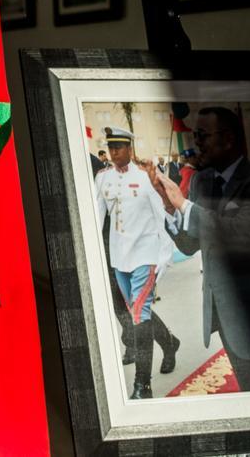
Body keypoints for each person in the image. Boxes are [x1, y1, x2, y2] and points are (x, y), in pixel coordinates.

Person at [157, 107, 250, 391]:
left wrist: (184, 205)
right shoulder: (202, 181)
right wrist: (169, 208)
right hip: (227, 320)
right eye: (195, 135)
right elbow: (190, 245)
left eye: (202, 135)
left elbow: (242, 234)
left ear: (228, 139)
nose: (196, 142)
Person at [93, 128, 180, 399]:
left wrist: (164, 256)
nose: (115, 151)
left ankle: (142, 385)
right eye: (111, 147)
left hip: (145, 254)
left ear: (129, 148)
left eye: (119, 146)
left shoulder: (144, 178)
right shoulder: (103, 179)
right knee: (135, 312)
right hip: (119, 257)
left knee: (139, 315)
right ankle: (170, 343)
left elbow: (162, 217)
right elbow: (97, 217)